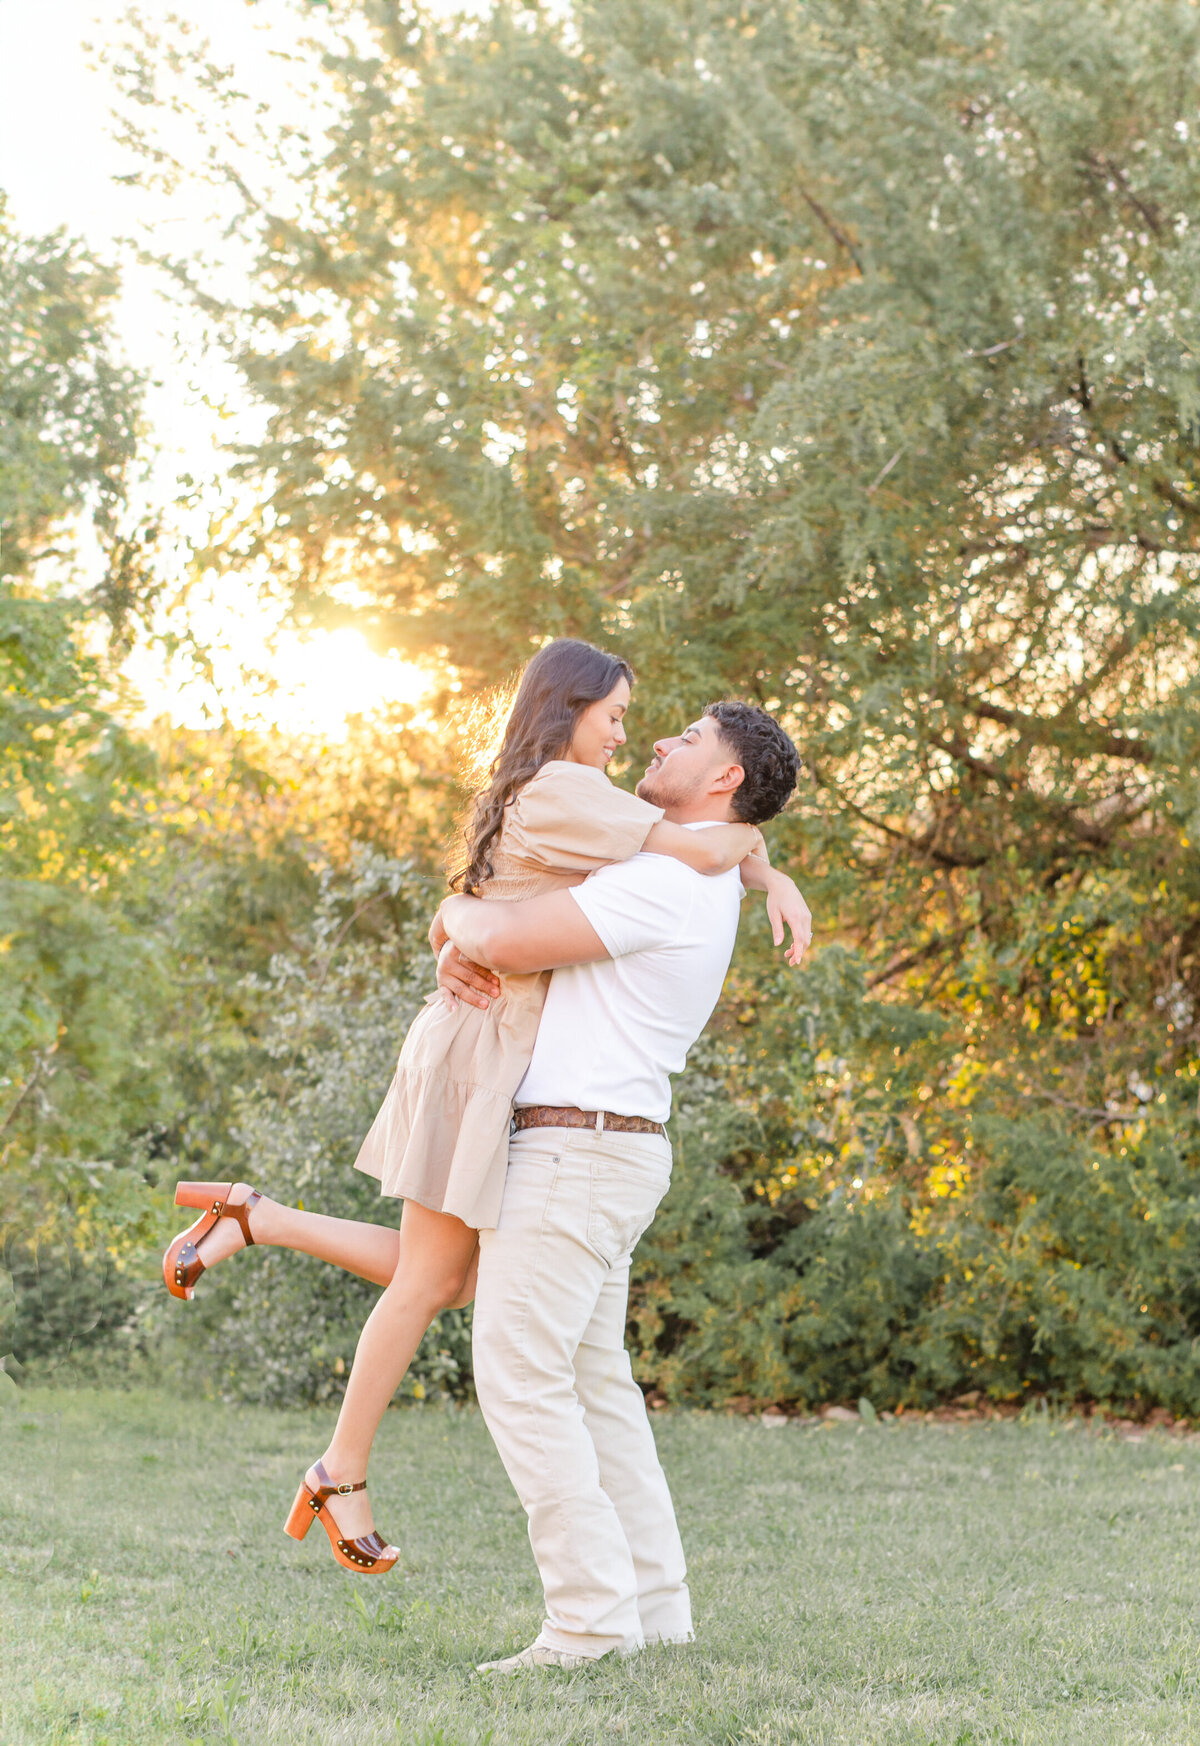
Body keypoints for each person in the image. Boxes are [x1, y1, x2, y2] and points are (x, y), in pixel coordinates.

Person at [162, 641, 808, 1575]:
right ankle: (338, 1469)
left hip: (492, 1045)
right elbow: (690, 846)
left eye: (650, 726)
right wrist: (757, 854)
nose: (634, 736)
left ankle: (256, 1221)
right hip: (478, 1044)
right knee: (433, 1281)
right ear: (570, 708)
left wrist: (757, 862)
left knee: (450, 1277)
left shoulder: (573, 792)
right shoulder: (568, 790)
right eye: (617, 716)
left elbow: (654, 852)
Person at [431, 699, 804, 1672]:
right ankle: (653, 1607)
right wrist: (764, 860)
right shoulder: (692, 873)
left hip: (576, 1155)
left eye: (689, 738)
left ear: (723, 779)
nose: (663, 743)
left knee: (523, 1378)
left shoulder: (664, 883)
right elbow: (733, 848)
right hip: (607, 1150)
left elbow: (505, 942)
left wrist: (452, 910)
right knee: (596, 1387)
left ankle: (590, 1622)